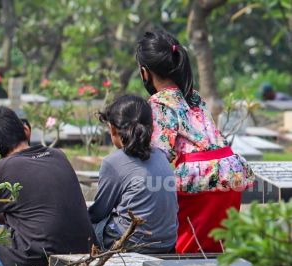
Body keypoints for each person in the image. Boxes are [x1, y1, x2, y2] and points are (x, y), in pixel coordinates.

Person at [136, 31, 253, 253]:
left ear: (145, 72)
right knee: (213, 251)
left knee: (185, 253)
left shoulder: (158, 103)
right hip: (230, 172)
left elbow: (160, 156)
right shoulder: (194, 97)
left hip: (198, 181)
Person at [0, 106, 95, 266]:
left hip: (34, 261)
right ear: (25, 130)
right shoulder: (57, 154)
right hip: (84, 253)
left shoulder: (3, 168)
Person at [88, 95, 178, 253]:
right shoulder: (162, 156)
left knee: (91, 225)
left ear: (113, 129)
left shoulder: (113, 162)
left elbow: (99, 212)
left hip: (133, 244)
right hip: (167, 243)